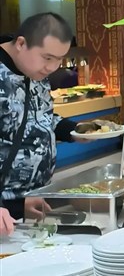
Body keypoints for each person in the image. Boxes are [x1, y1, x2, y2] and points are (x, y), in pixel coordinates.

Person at [0, 14, 99, 235]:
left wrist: (73, 130)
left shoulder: (35, 73)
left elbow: (40, 116)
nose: (52, 67)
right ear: (21, 43)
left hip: (25, 204)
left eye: (59, 60)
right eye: (47, 58)